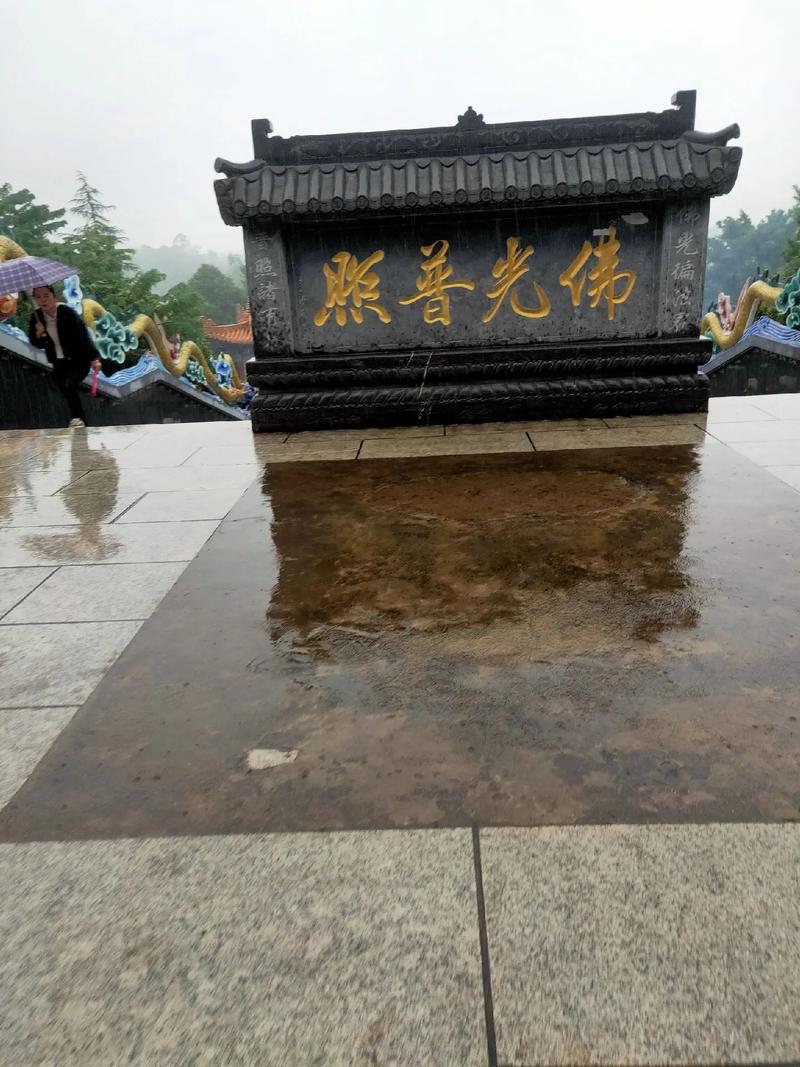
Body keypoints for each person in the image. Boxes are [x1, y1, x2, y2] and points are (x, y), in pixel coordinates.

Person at [28, 284, 102, 428]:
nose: (43, 300)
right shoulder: (36, 317)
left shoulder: (66, 312)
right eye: (38, 297)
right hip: (59, 362)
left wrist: (94, 358)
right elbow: (36, 343)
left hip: (78, 360)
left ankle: (78, 419)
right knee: (66, 389)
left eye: (46, 296)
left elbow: (83, 336)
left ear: (54, 297)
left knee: (70, 385)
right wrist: (39, 333)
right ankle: (81, 422)